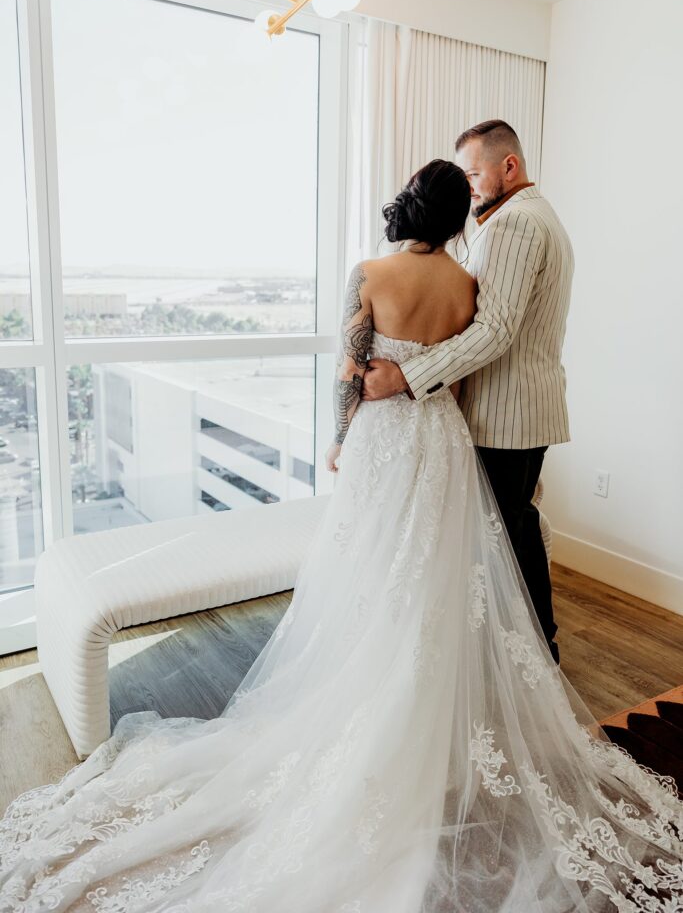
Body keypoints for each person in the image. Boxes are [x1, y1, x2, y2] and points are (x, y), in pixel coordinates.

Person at [1, 161, 681, 913]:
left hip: (383, 438)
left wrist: (338, 436)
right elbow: (454, 379)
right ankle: (427, 714)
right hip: (440, 438)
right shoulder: (466, 286)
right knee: (431, 574)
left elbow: (350, 368)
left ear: (406, 208)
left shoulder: (370, 270)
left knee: (367, 568)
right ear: (459, 218)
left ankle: (370, 692)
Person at [361, 121, 574, 664]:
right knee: (515, 531)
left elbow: (495, 329)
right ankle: (531, 652)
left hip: (506, 412)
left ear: (510, 166)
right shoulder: (522, 218)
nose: (471, 187)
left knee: (498, 542)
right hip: (524, 408)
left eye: (475, 174)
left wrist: (406, 376)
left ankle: (523, 657)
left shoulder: (516, 226)